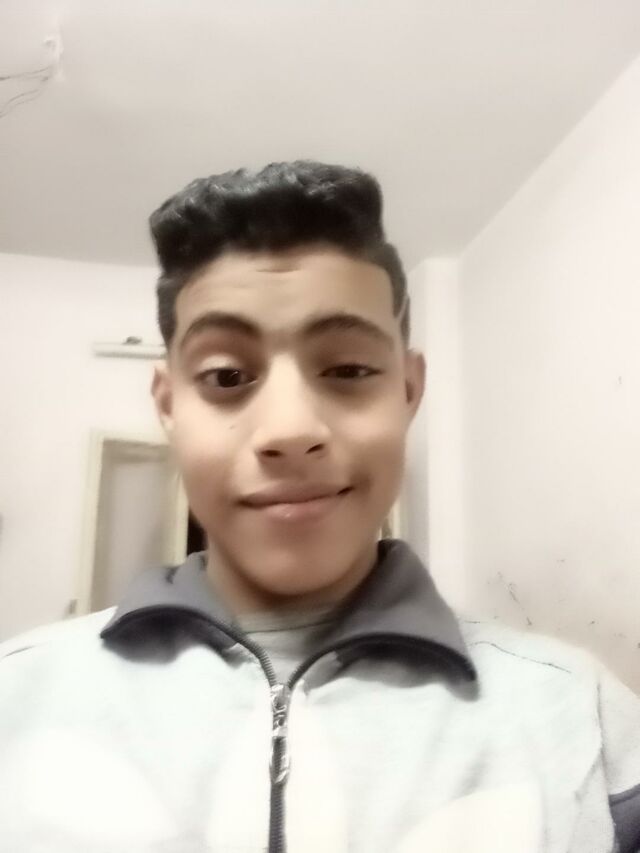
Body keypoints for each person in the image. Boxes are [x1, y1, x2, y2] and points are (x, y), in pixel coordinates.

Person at [1, 161, 639, 853]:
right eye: (226, 376)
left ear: (408, 390)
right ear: (169, 405)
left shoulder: (582, 717)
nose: (289, 430)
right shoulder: (18, 694)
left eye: (349, 370)